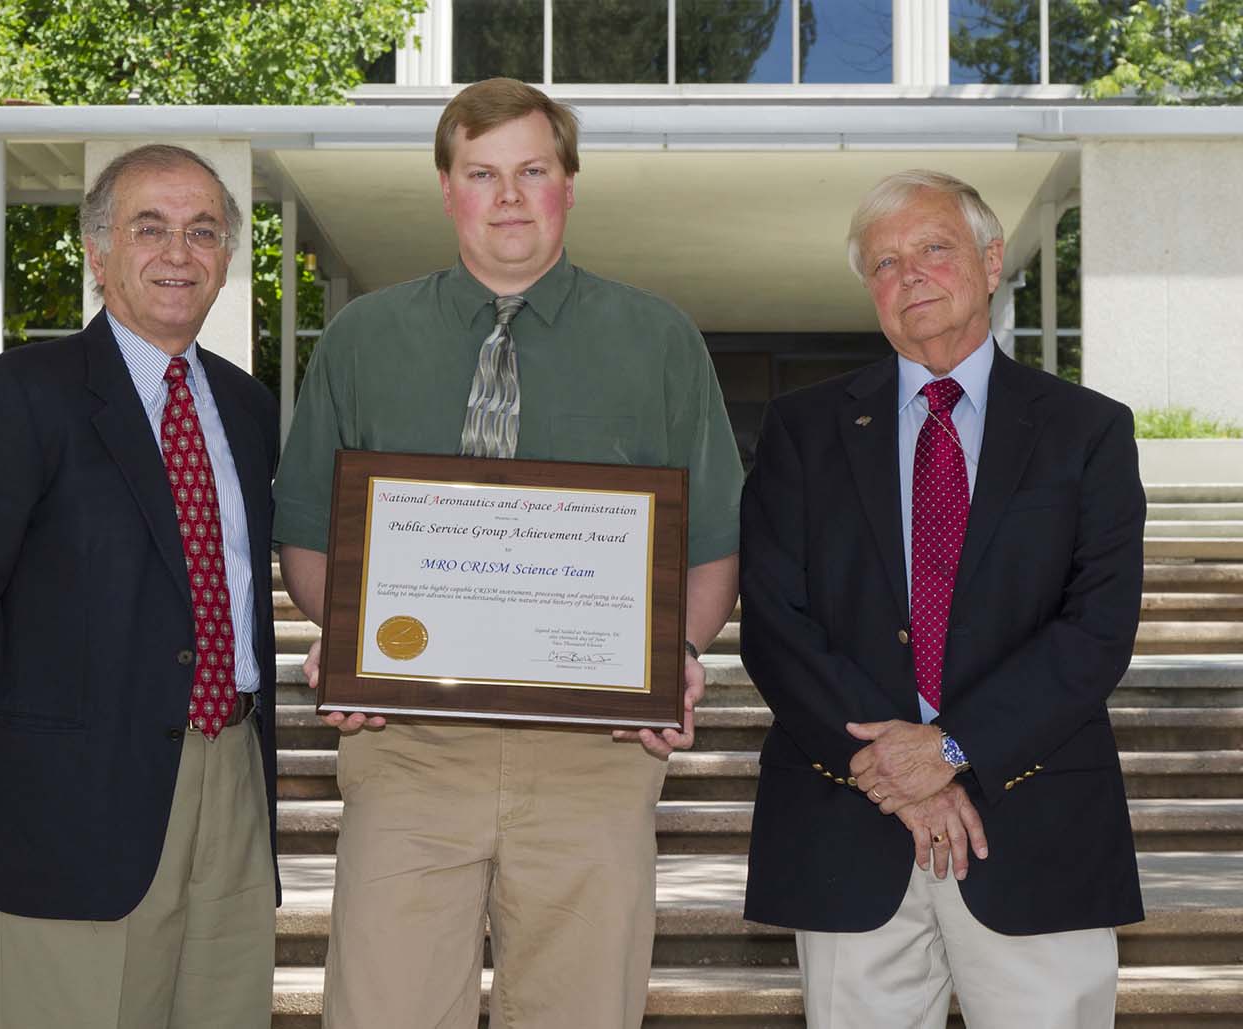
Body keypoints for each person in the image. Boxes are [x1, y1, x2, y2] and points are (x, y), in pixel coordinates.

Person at [273, 77, 743, 1028]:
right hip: (405, 746)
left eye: (534, 169)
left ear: (570, 182)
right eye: (483, 173)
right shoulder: (363, 338)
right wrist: (346, 633)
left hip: (597, 752)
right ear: (447, 188)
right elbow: (309, 537)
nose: (510, 195)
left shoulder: (659, 340)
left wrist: (680, 658)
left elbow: (712, 545)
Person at [739, 168, 1145, 1027]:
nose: (909, 275)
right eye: (884, 264)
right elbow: (776, 625)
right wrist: (898, 774)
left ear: (992, 261)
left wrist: (953, 746)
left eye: (933, 248)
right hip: (851, 828)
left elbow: (1097, 629)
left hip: (1035, 828)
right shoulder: (801, 431)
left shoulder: (1089, 430)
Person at [0, 143, 280, 1028]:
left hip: (235, 788)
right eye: (151, 228)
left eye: (203, 231)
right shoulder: (21, 395)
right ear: (98, 255)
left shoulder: (249, 409)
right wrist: (7, 753)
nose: (179, 252)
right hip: (74, 802)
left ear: (225, 260)